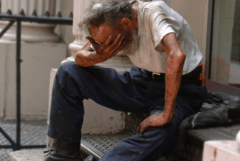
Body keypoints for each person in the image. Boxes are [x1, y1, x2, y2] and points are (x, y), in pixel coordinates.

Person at [44, 0, 207, 160]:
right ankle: (64, 156)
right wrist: (98, 55)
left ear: (126, 24)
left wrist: (166, 114)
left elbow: (176, 56)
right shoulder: (111, 15)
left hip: (181, 90)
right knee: (68, 72)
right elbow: (79, 58)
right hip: (141, 81)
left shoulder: (154, 13)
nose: (104, 45)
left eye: (108, 40)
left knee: (162, 132)